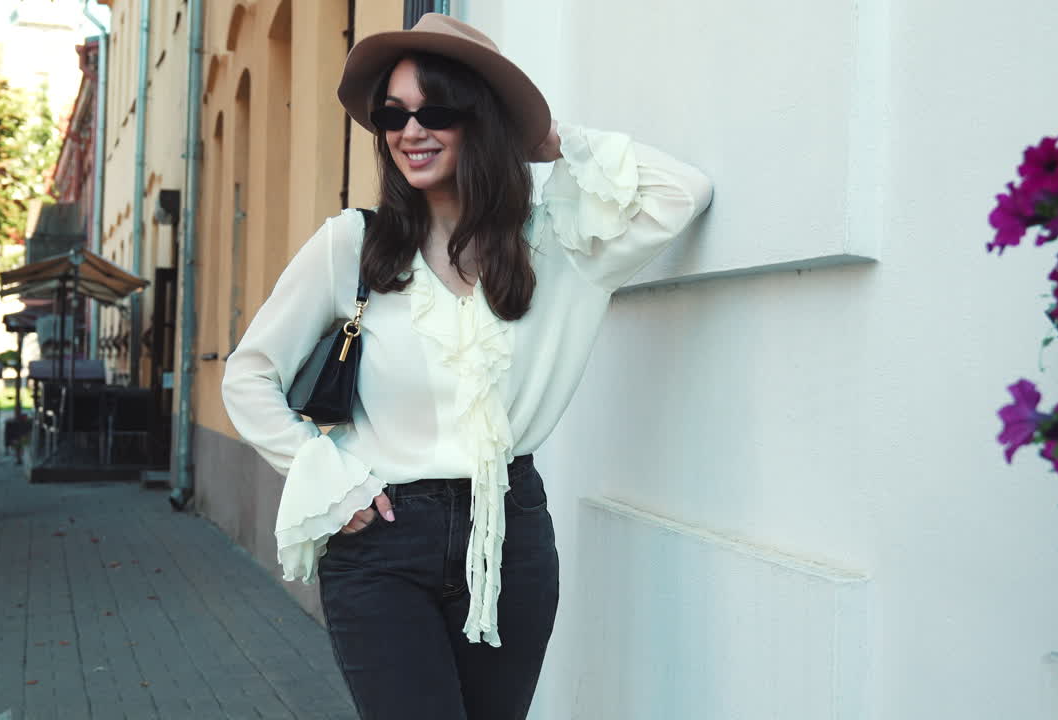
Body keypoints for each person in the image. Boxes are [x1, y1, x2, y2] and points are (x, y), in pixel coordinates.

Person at [221, 12, 712, 720]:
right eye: (393, 114)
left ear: (480, 119)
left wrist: (548, 140)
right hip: (381, 541)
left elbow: (681, 194)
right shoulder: (352, 245)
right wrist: (330, 479)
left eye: (436, 110)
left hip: (511, 535)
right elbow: (249, 375)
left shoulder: (562, 245)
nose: (409, 131)